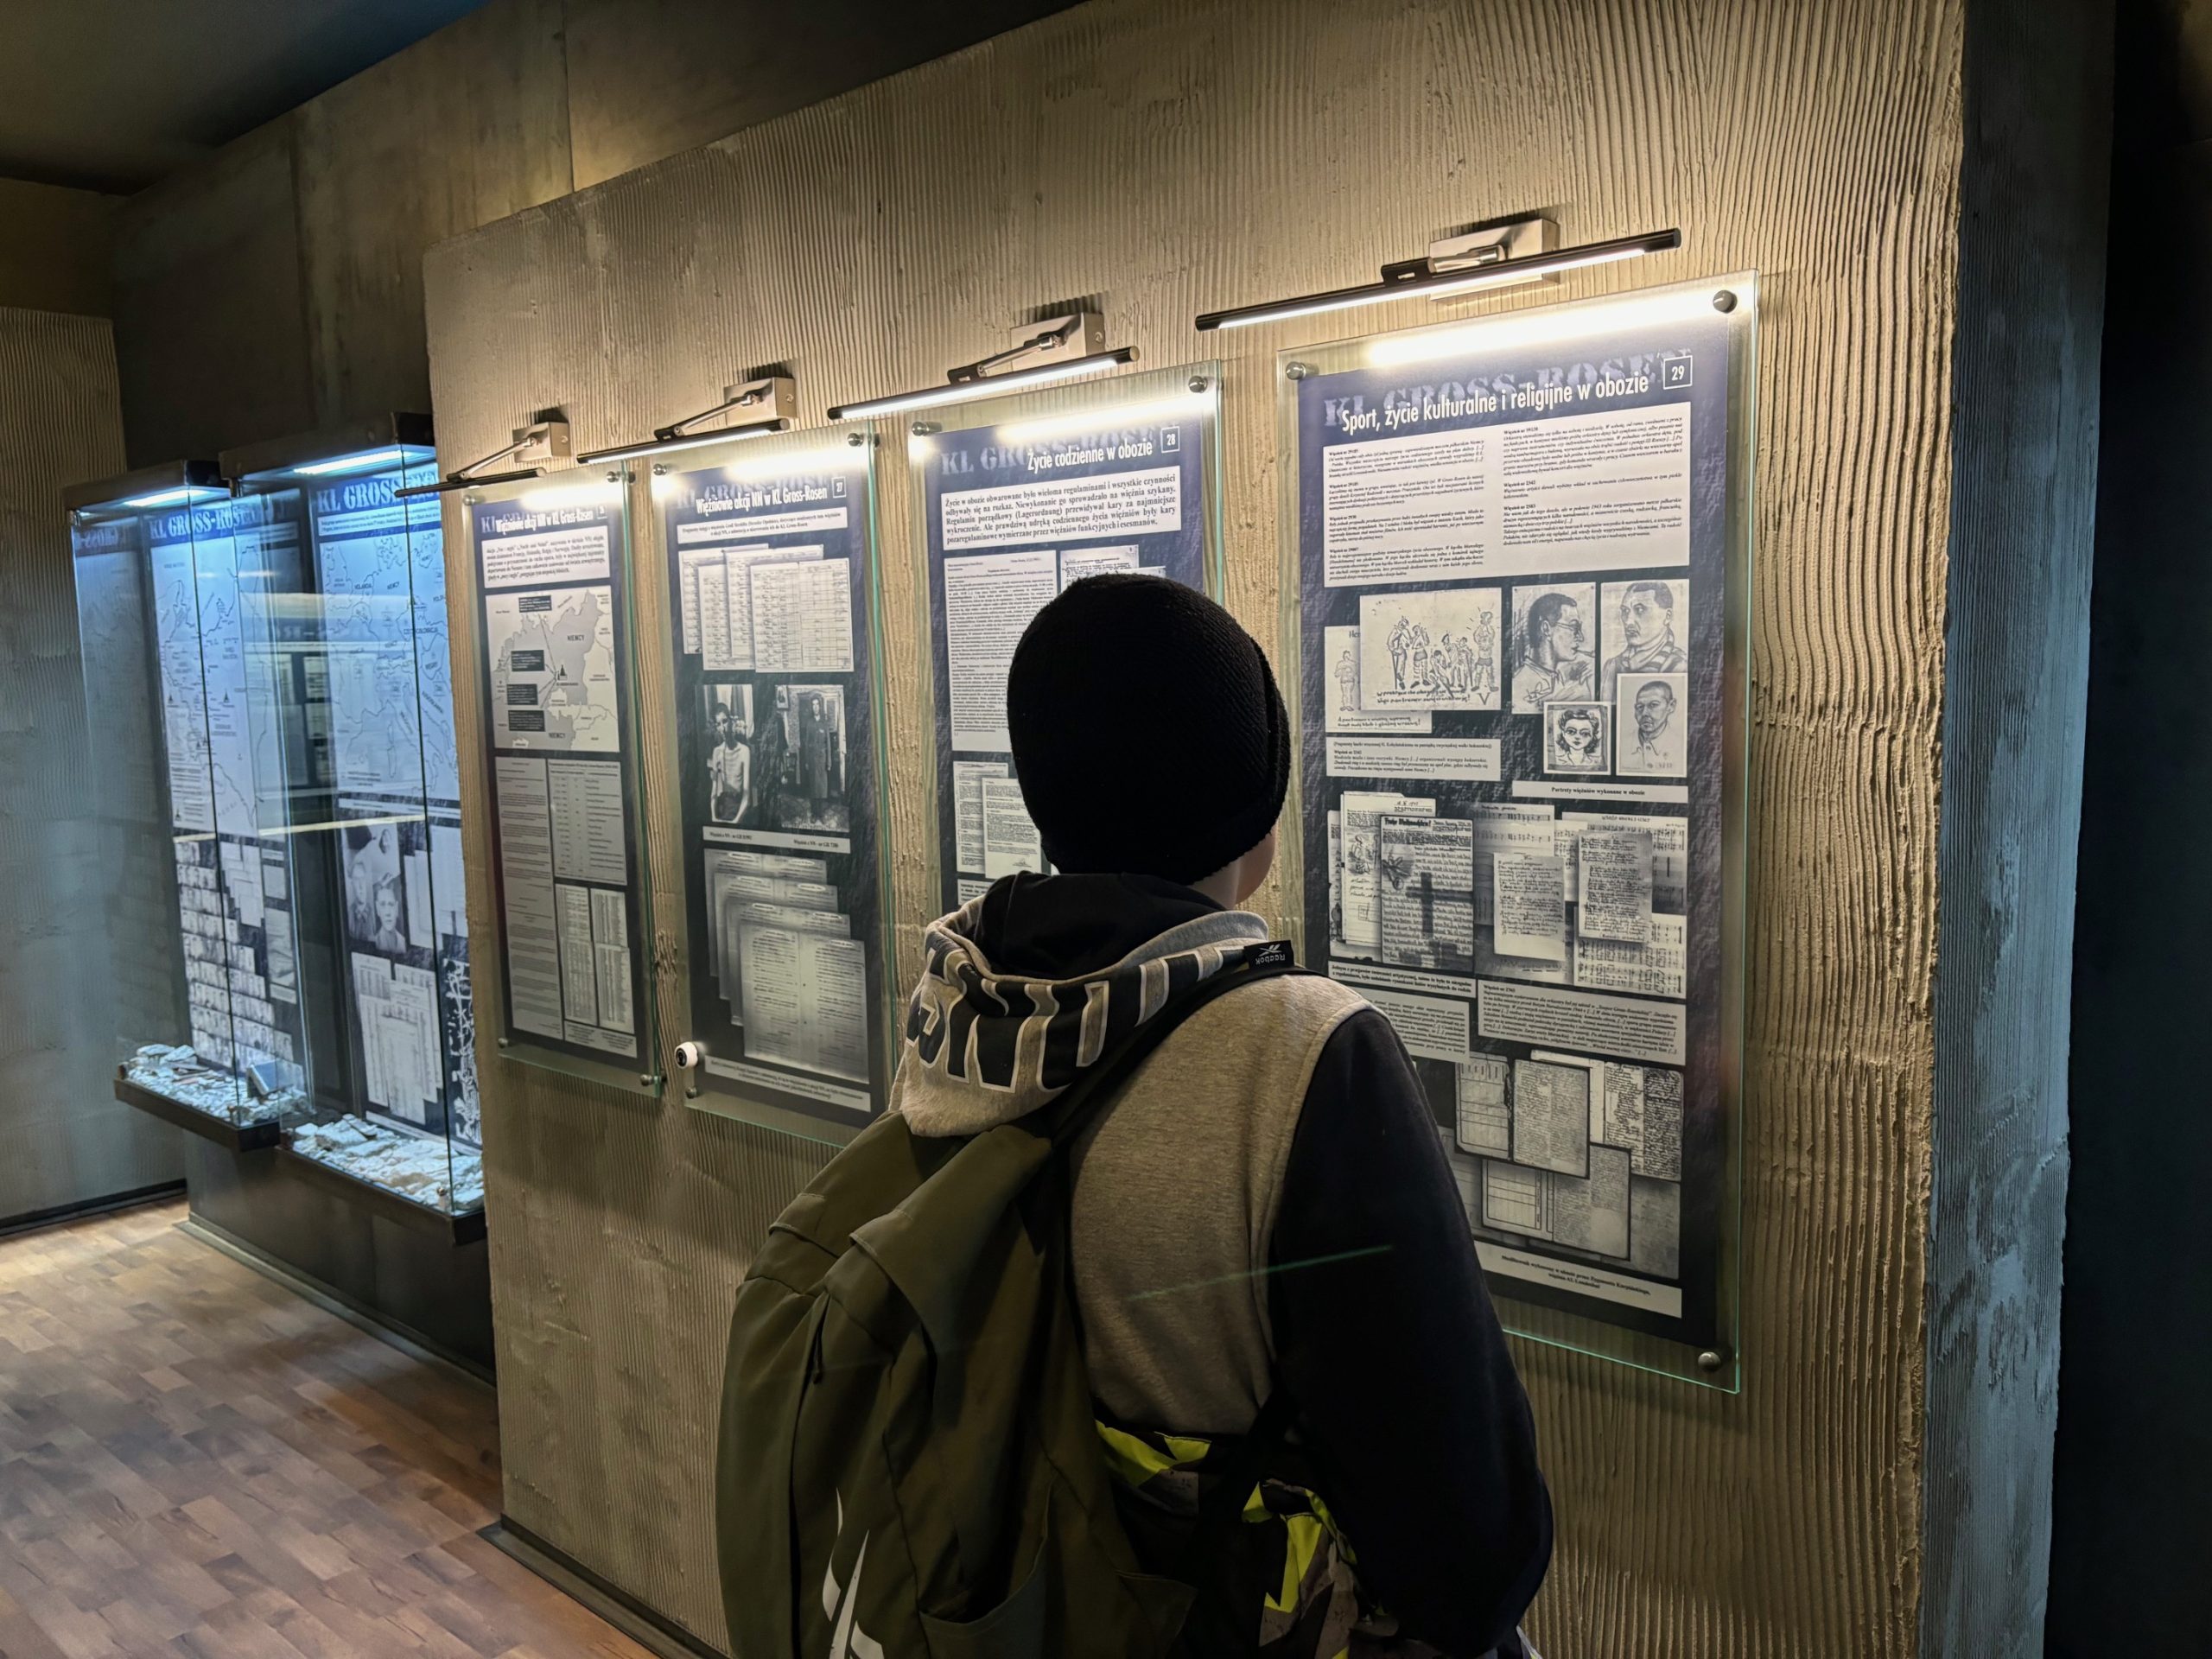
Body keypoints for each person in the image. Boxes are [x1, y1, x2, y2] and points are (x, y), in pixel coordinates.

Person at [890, 575, 1550, 1656]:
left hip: (1030, 1607)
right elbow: (1470, 1550)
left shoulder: (956, 1009)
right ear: (1253, 803)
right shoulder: (1304, 1055)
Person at [1599, 581, 1688, 700]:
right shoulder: (1612, 666)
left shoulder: (1680, 665)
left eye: (1640, 610)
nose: (1628, 621)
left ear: (1667, 616)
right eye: (1625, 611)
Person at [1515, 591, 1594, 709]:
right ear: (1546, 629)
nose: (1580, 637)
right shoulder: (1520, 685)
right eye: (1574, 627)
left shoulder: (1560, 679)